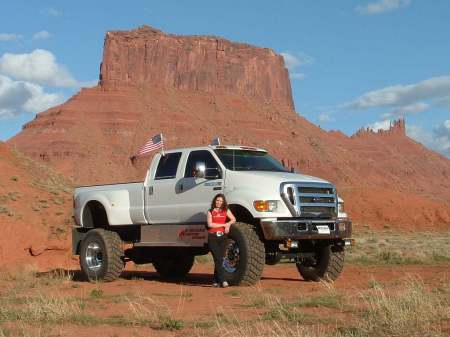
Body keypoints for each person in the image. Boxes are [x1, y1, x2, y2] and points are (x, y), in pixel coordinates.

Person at [207, 193, 236, 288]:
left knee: (220, 259)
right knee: (218, 259)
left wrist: (228, 224)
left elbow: (233, 219)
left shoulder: (226, 210)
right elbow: (210, 224)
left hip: (223, 238)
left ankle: (215, 281)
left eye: (221, 201)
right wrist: (223, 225)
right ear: (215, 201)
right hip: (212, 238)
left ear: (223, 202)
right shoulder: (210, 211)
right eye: (217, 200)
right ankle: (223, 280)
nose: (219, 202)